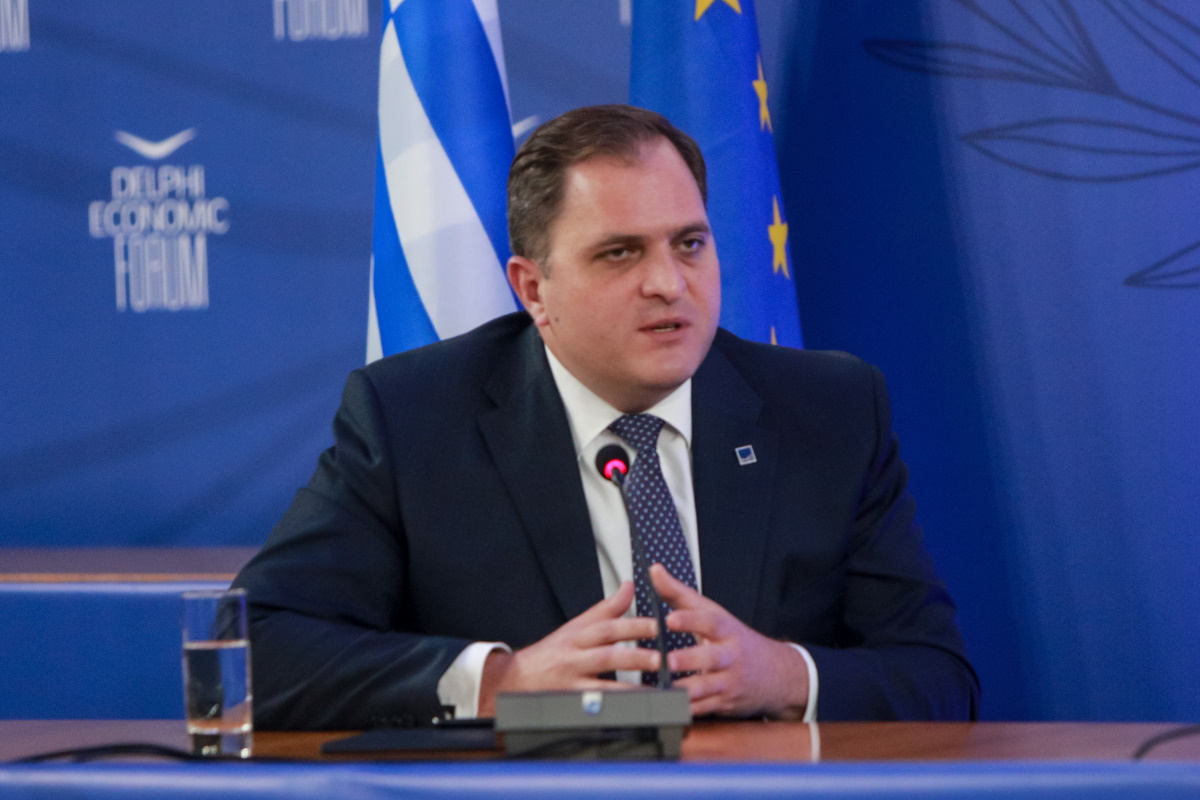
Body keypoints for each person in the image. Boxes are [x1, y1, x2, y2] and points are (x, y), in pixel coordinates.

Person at [233, 105, 979, 729]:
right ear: (533, 290)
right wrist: (502, 681)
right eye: (620, 253)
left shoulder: (829, 411)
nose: (668, 283)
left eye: (689, 244)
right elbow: (255, 648)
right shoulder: (415, 418)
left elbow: (940, 678)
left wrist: (781, 675)